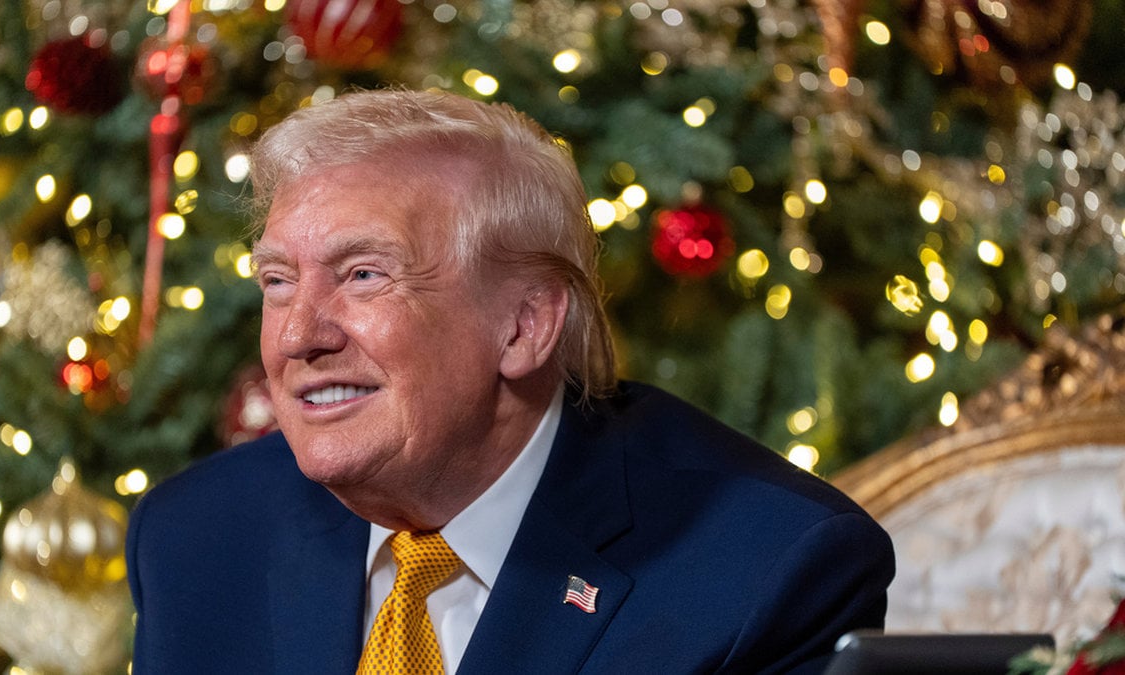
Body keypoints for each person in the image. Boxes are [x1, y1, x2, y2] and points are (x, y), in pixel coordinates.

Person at [126, 88, 895, 674]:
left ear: (524, 325)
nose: (298, 336)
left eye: (363, 275)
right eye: (278, 280)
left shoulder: (767, 571)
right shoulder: (194, 537)